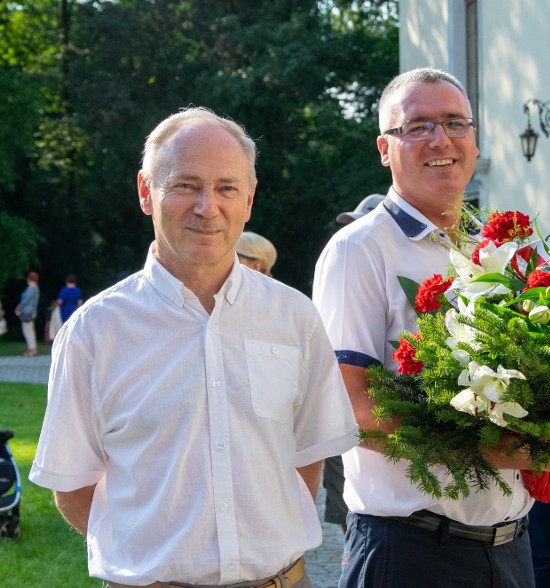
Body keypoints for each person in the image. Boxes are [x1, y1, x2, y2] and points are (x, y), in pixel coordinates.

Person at [28, 107, 358, 588]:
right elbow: (72, 485)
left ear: (249, 198)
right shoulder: (94, 332)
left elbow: (307, 454)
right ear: (146, 191)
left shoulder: (294, 318)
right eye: (185, 185)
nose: (208, 207)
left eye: (226, 187)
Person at [313, 67, 550, 588]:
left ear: (474, 141)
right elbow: (350, 409)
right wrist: (489, 448)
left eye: (456, 122)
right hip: (410, 549)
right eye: (417, 126)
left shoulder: (498, 247)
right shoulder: (359, 249)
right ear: (384, 148)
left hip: (510, 544)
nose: (441, 139)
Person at [321, 193, 385, 536]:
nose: (351, 231)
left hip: (375, 433)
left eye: (360, 222)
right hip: (339, 429)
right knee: (345, 517)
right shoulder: (342, 264)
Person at [14, 271, 40, 357]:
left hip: (27, 312)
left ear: (29, 278)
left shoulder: (30, 288)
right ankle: (33, 349)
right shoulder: (36, 288)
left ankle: (31, 349)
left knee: (27, 331)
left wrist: (19, 307)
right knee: (31, 331)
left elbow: (25, 300)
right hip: (32, 312)